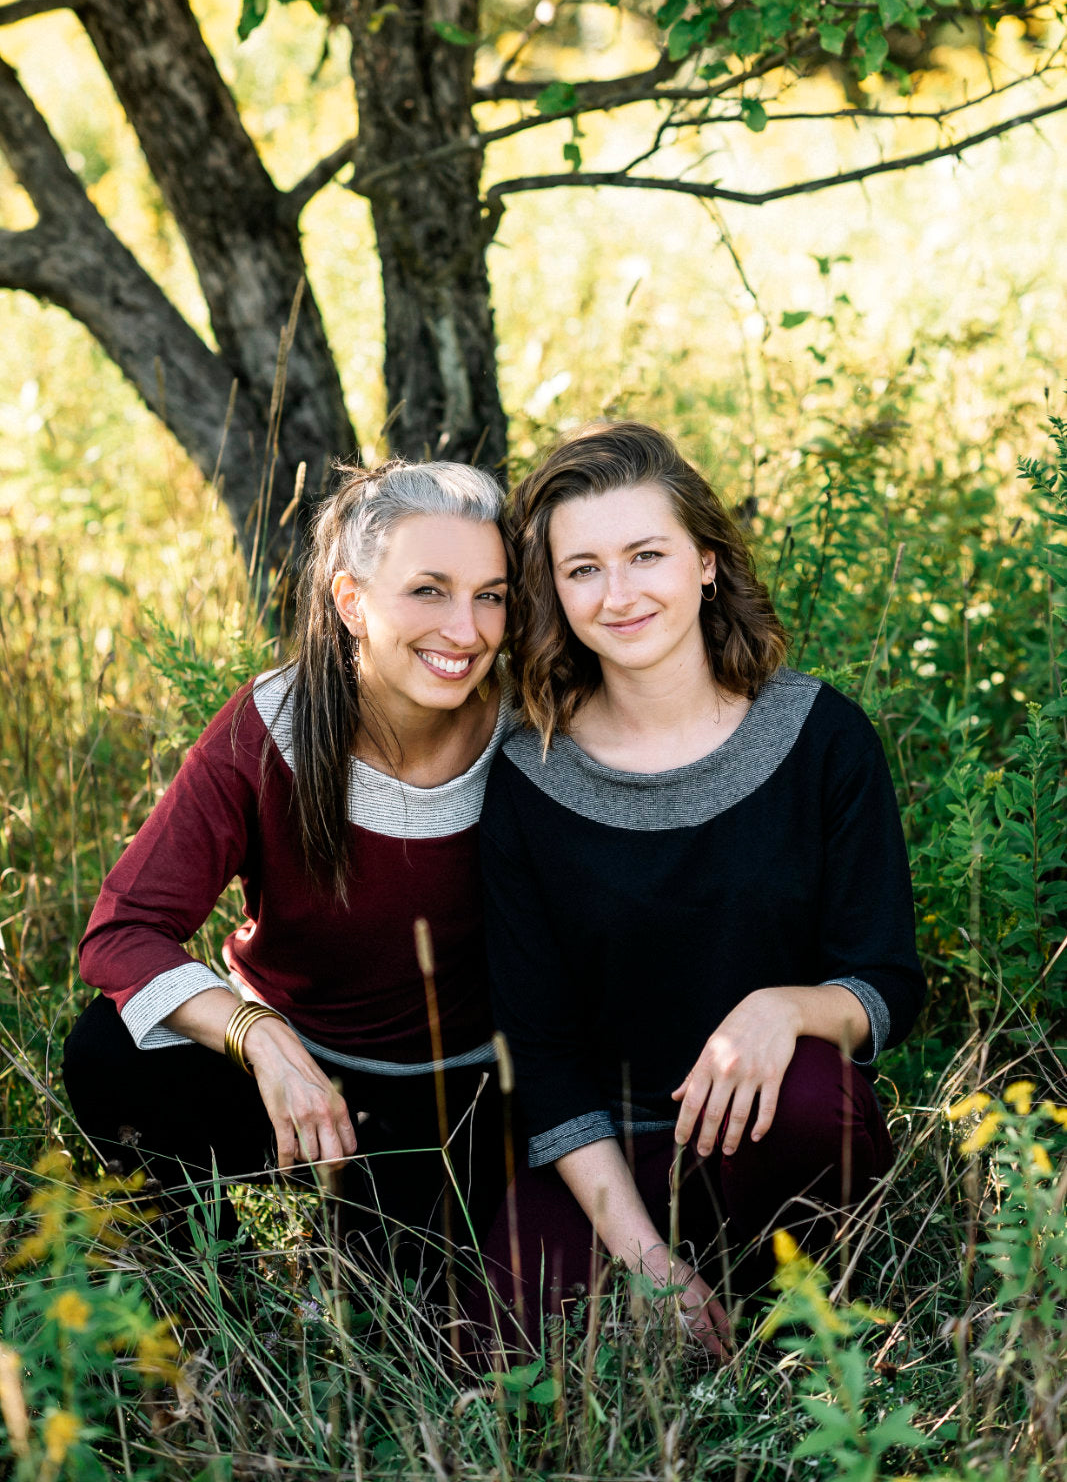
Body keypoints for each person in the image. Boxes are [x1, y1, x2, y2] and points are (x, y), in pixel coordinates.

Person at [481, 422, 925, 1352]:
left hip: (774, 1130)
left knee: (812, 1096)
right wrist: (642, 1256)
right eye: (584, 569)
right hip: (605, 1158)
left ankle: (793, 1313)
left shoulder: (820, 738)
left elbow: (884, 980)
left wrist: (787, 1008)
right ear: (552, 592)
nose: (620, 594)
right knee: (507, 1352)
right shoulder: (526, 776)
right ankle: (672, 1294)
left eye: (647, 555)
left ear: (707, 562)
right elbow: (543, 1055)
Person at [63, 458, 513, 1270]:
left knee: (404, 1331)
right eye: (428, 590)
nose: (466, 629)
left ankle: (361, 1252)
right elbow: (123, 930)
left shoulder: (533, 733)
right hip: (297, 1072)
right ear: (351, 601)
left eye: (491, 595)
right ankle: (210, 1293)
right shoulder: (270, 727)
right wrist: (257, 1035)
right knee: (108, 1051)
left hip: (469, 1096)